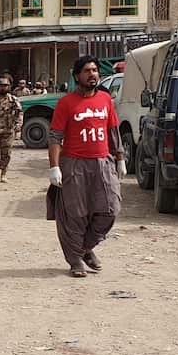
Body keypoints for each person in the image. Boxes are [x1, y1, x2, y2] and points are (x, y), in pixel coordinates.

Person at [48, 56, 123, 278]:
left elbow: (113, 131)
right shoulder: (66, 103)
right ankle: (75, 261)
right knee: (75, 214)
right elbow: (55, 137)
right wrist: (54, 167)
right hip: (74, 164)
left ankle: (84, 247)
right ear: (76, 76)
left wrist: (120, 158)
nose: (92, 74)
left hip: (102, 162)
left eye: (95, 70)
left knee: (110, 209)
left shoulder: (105, 100)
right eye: (87, 71)